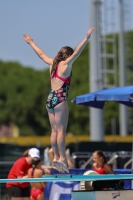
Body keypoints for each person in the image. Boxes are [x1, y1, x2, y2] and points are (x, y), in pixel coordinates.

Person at [23, 27, 94, 173]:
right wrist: (86, 38)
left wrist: (31, 42)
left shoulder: (52, 63)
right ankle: (62, 157)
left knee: (54, 130)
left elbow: (41, 54)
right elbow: (77, 52)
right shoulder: (65, 65)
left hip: (50, 99)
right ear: (66, 56)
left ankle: (55, 157)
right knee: (61, 130)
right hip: (60, 98)